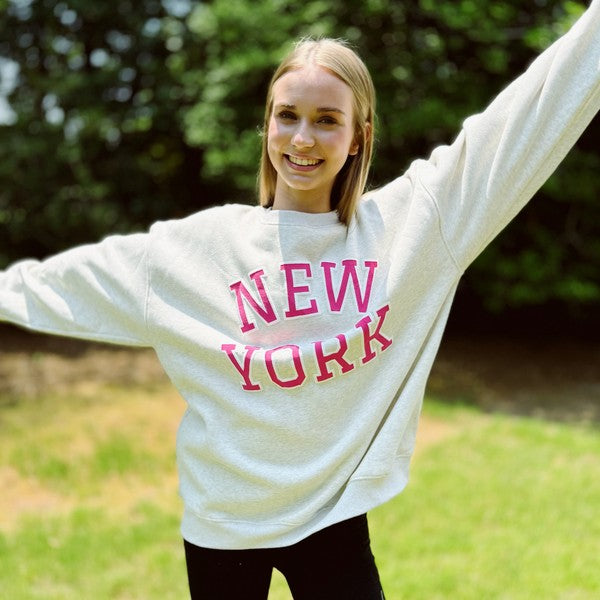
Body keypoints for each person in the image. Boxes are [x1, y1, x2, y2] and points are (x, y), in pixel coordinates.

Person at [1, 2, 598, 598]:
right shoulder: (195, 251)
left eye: (327, 120)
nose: (303, 138)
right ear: (267, 125)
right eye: (287, 116)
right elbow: (59, 284)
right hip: (225, 524)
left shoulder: (413, 227)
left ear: (359, 137)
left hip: (332, 517)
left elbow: (526, 119)